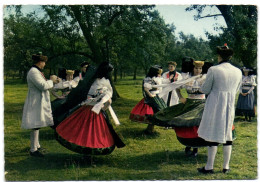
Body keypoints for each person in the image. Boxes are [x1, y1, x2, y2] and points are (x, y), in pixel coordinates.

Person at [55, 62, 125, 155]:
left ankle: (84, 149)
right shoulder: (105, 83)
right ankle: (90, 151)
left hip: (85, 109)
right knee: (93, 132)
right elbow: (108, 101)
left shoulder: (91, 80)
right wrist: (103, 108)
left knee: (83, 131)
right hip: (95, 111)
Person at [148, 60, 211, 157]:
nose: (198, 70)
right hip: (188, 103)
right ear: (192, 68)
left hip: (200, 103)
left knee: (196, 125)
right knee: (185, 123)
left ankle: (195, 148)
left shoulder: (205, 78)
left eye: (200, 68)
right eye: (196, 68)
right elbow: (178, 87)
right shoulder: (187, 78)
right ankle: (188, 145)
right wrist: (182, 97)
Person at [197, 44, 242, 174]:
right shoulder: (238, 71)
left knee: (213, 132)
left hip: (215, 104)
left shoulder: (213, 69)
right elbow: (237, 89)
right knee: (227, 133)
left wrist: (201, 85)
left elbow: (205, 89)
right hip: (229, 104)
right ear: (230, 56)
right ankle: (225, 167)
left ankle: (209, 167)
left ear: (219, 56)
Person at [21, 52, 59, 157]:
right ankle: (33, 150)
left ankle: (37, 145)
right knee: (35, 124)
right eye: (44, 62)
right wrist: (51, 80)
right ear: (40, 62)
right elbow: (43, 86)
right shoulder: (33, 72)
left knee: (37, 124)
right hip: (35, 101)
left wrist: (53, 82)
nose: (45, 65)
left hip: (38, 101)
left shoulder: (37, 71)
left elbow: (45, 84)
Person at [129, 65, 167, 134]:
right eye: (158, 73)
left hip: (157, 96)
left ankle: (151, 128)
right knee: (154, 112)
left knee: (158, 111)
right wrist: (151, 95)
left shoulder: (157, 78)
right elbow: (146, 89)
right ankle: (150, 129)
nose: (159, 74)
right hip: (152, 97)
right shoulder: (148, 79)